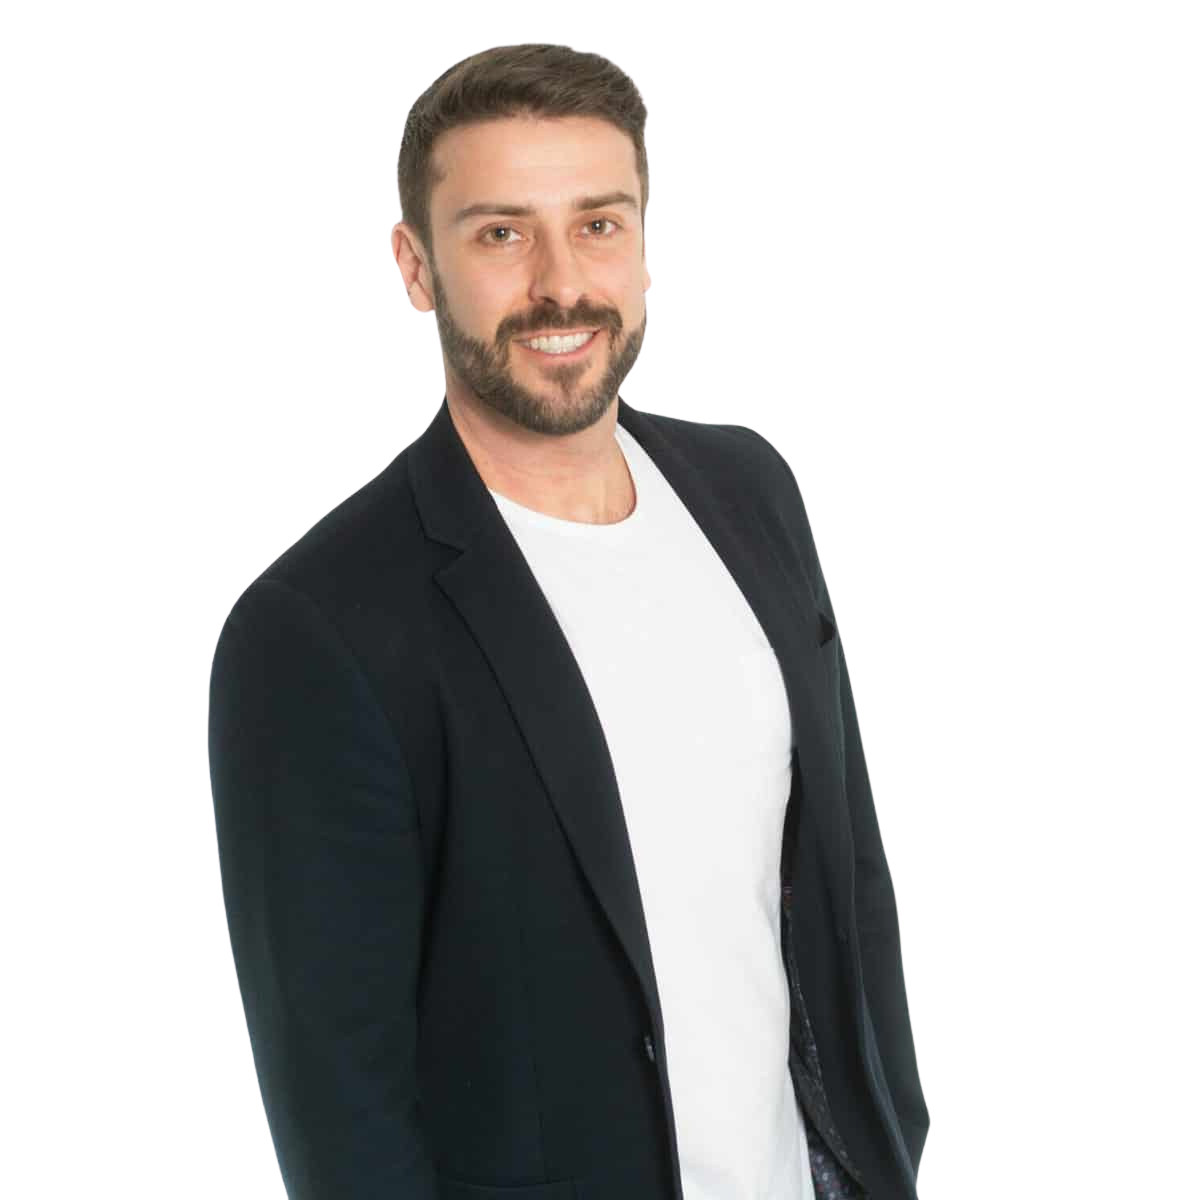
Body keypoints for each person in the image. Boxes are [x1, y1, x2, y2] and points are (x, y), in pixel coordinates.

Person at [208, 42, 930, 1200]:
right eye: (501, 232)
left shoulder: (750, 492)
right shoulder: (318, 630)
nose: (560, 283)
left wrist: (892, 1135)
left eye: (599, 224)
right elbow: (342, 1108)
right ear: (416, 264)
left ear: (643, 244)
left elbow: (849, 877)